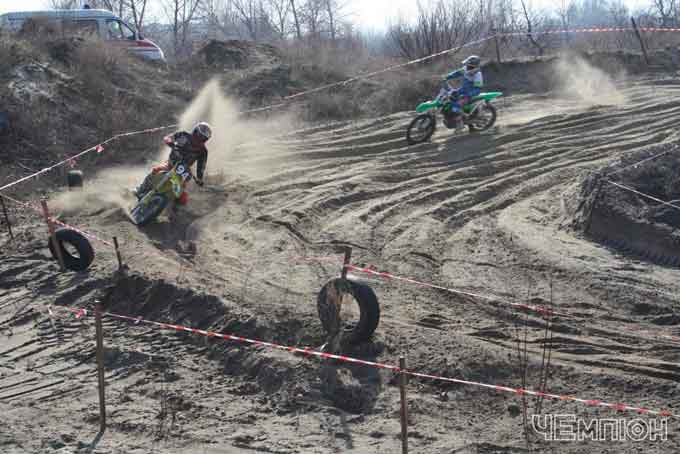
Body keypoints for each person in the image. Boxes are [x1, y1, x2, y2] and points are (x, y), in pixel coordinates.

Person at [134, 122, 212, 205]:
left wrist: (199, 179)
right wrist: (171, 143)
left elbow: (201, 166)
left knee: (183, 199)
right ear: (194, 132)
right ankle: (140, 190)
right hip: (170, 164)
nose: (199, 140)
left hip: (182, 173)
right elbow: (168, 137)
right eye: (198, 136)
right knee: (155, 170)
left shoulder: (203, 151)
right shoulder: (183, 135)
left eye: (203, 139)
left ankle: (174, 213)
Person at [444, 55, 483, 130]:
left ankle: (460, 124)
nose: (467, 67)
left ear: (473, 66)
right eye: (467, 65)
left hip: (471, 94)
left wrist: (467, 95)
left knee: (456, 105)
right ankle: (455, 119)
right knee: (450, 98)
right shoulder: (465, 69)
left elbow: (478, 89)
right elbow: (458, 73)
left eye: (469, 66)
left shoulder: (478, 75)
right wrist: (448, 76)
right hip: (463, 90)